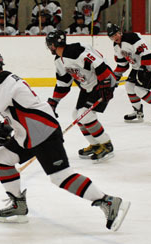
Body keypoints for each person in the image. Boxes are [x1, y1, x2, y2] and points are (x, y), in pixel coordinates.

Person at [0, 50, 130, 231]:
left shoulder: (2, 81)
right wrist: (7, 127)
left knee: (60, 177)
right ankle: (18, 204)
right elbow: (14, 107)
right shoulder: (3, 81)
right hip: (29, 135)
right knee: (1, 158)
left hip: (43, 133)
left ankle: (108, 201)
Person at [46, 30, 116, 162]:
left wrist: (106, 83)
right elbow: (63, 83)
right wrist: (54, 102)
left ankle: (107, 145)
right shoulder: (59, 61)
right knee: (76, 116)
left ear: (53, 45)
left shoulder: (75, 51)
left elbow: (99, 63)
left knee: (86, 115)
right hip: (87, 87)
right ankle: (95, 144)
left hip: (101, 84)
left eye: (50, 45)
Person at [107, 23, 151, 124]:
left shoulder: (132, 38)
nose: (114, 38)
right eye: (111, 37)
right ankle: (138, 112)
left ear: (120, 32)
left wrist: (143, 68)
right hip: (138, 66)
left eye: (115, 35)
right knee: (128, 86)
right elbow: (123, 65)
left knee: (139, 89)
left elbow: (147, 54)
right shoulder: (116, 46)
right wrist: (115, 77)